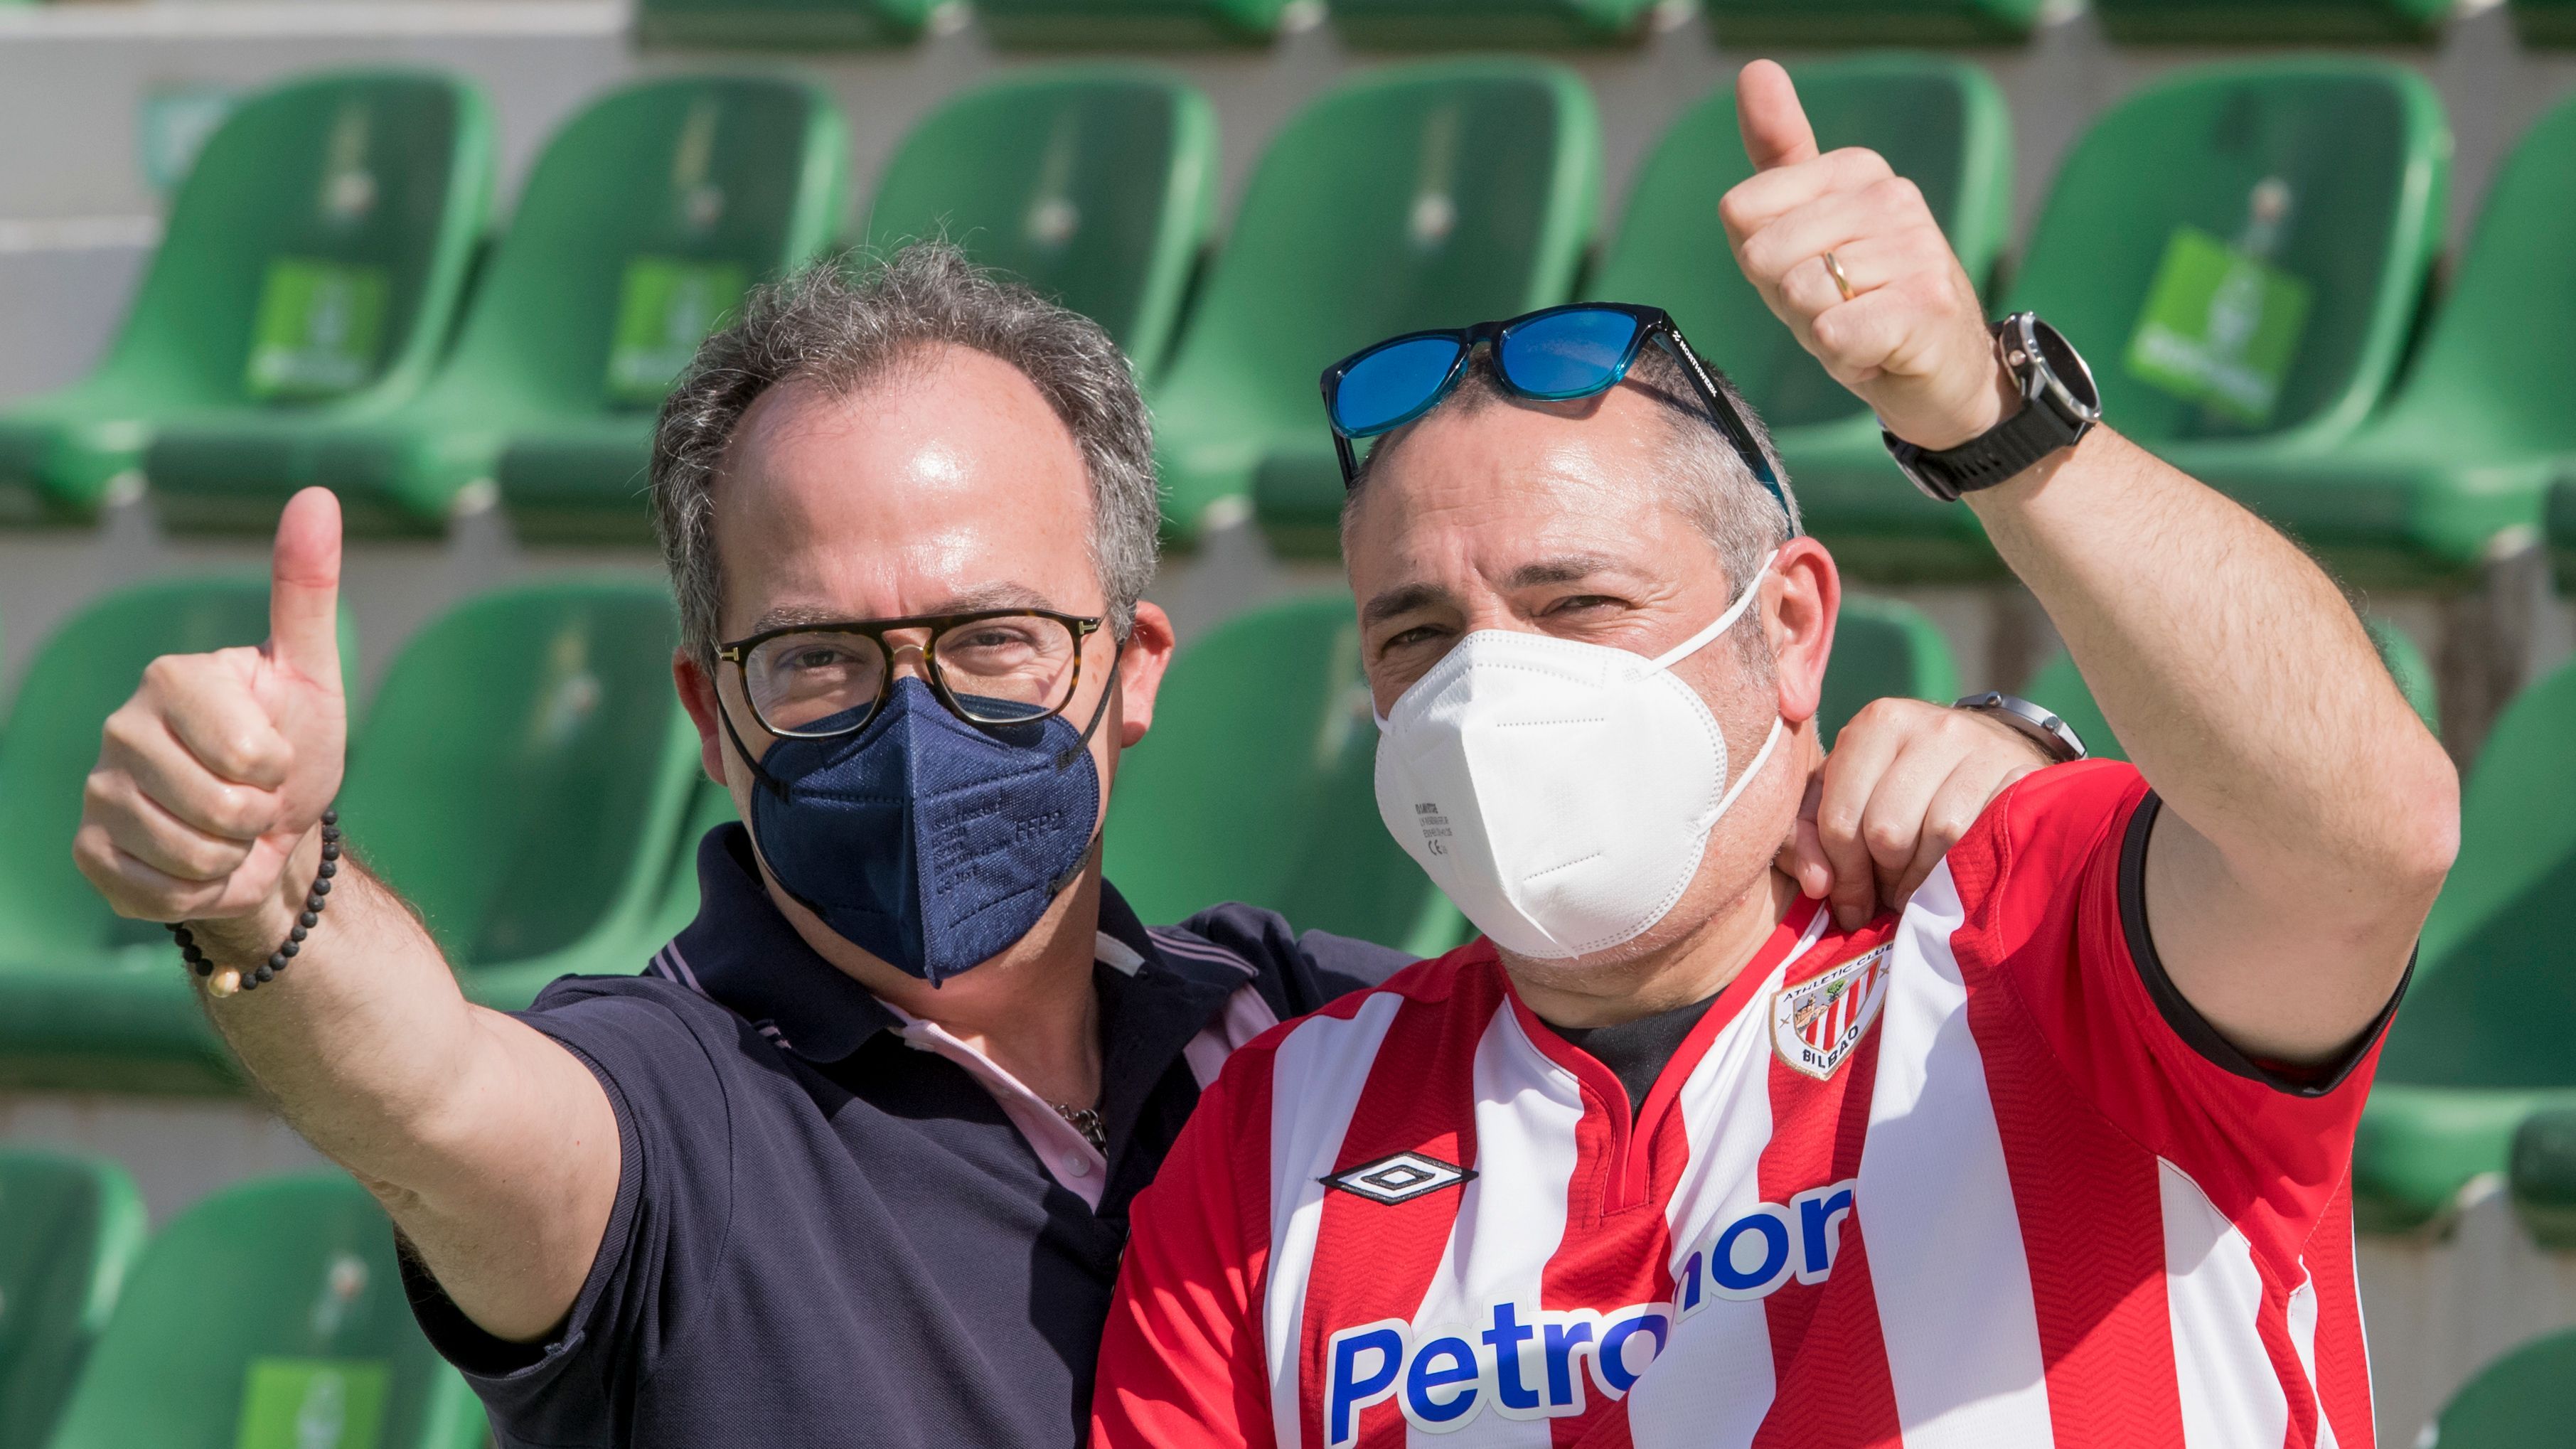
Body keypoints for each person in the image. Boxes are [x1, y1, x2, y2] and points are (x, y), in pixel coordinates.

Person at [73, 242, 2055, 1448]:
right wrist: (268, 894)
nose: (915, 712)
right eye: (819, 656)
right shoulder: (669, 1108)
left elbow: (1675, 946)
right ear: (708, 709)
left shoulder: (1295, 1033)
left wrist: (1991, 770)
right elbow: (433, 1092)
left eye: (997, 638)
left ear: (1135, 669)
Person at [1091, 60, 2459, 1449]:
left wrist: (1988, 416)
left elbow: (2368, 831)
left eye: (1580, 604)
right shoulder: (1275, 1136)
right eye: (1418, 633)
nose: (1485, 685)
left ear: (1792, 625)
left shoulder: (2039, 929)